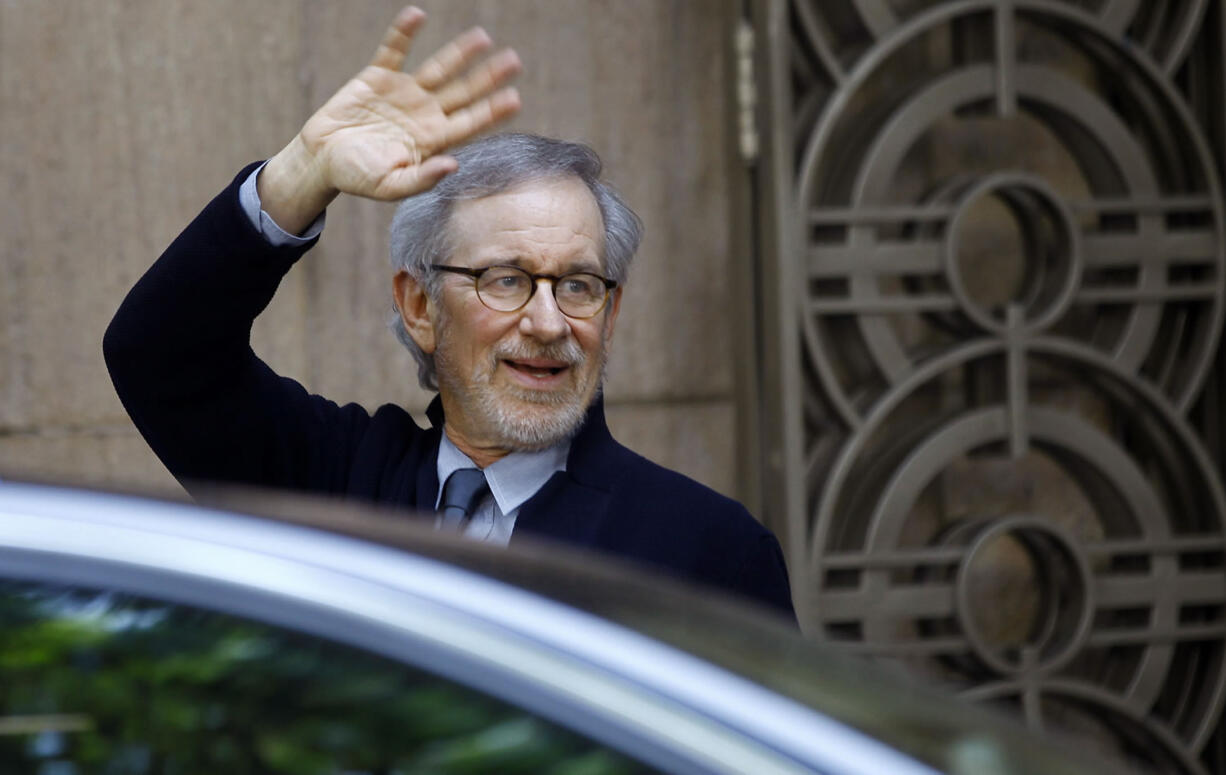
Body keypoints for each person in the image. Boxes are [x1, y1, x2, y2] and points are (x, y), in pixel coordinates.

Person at [104, 7, 794, 618]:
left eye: (579, 285)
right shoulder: (336, 482)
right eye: (506, 280)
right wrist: (301, 172)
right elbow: (161, 355)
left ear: (610, 316)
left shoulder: (707, 550)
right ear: (419, 305)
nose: (550, 323)